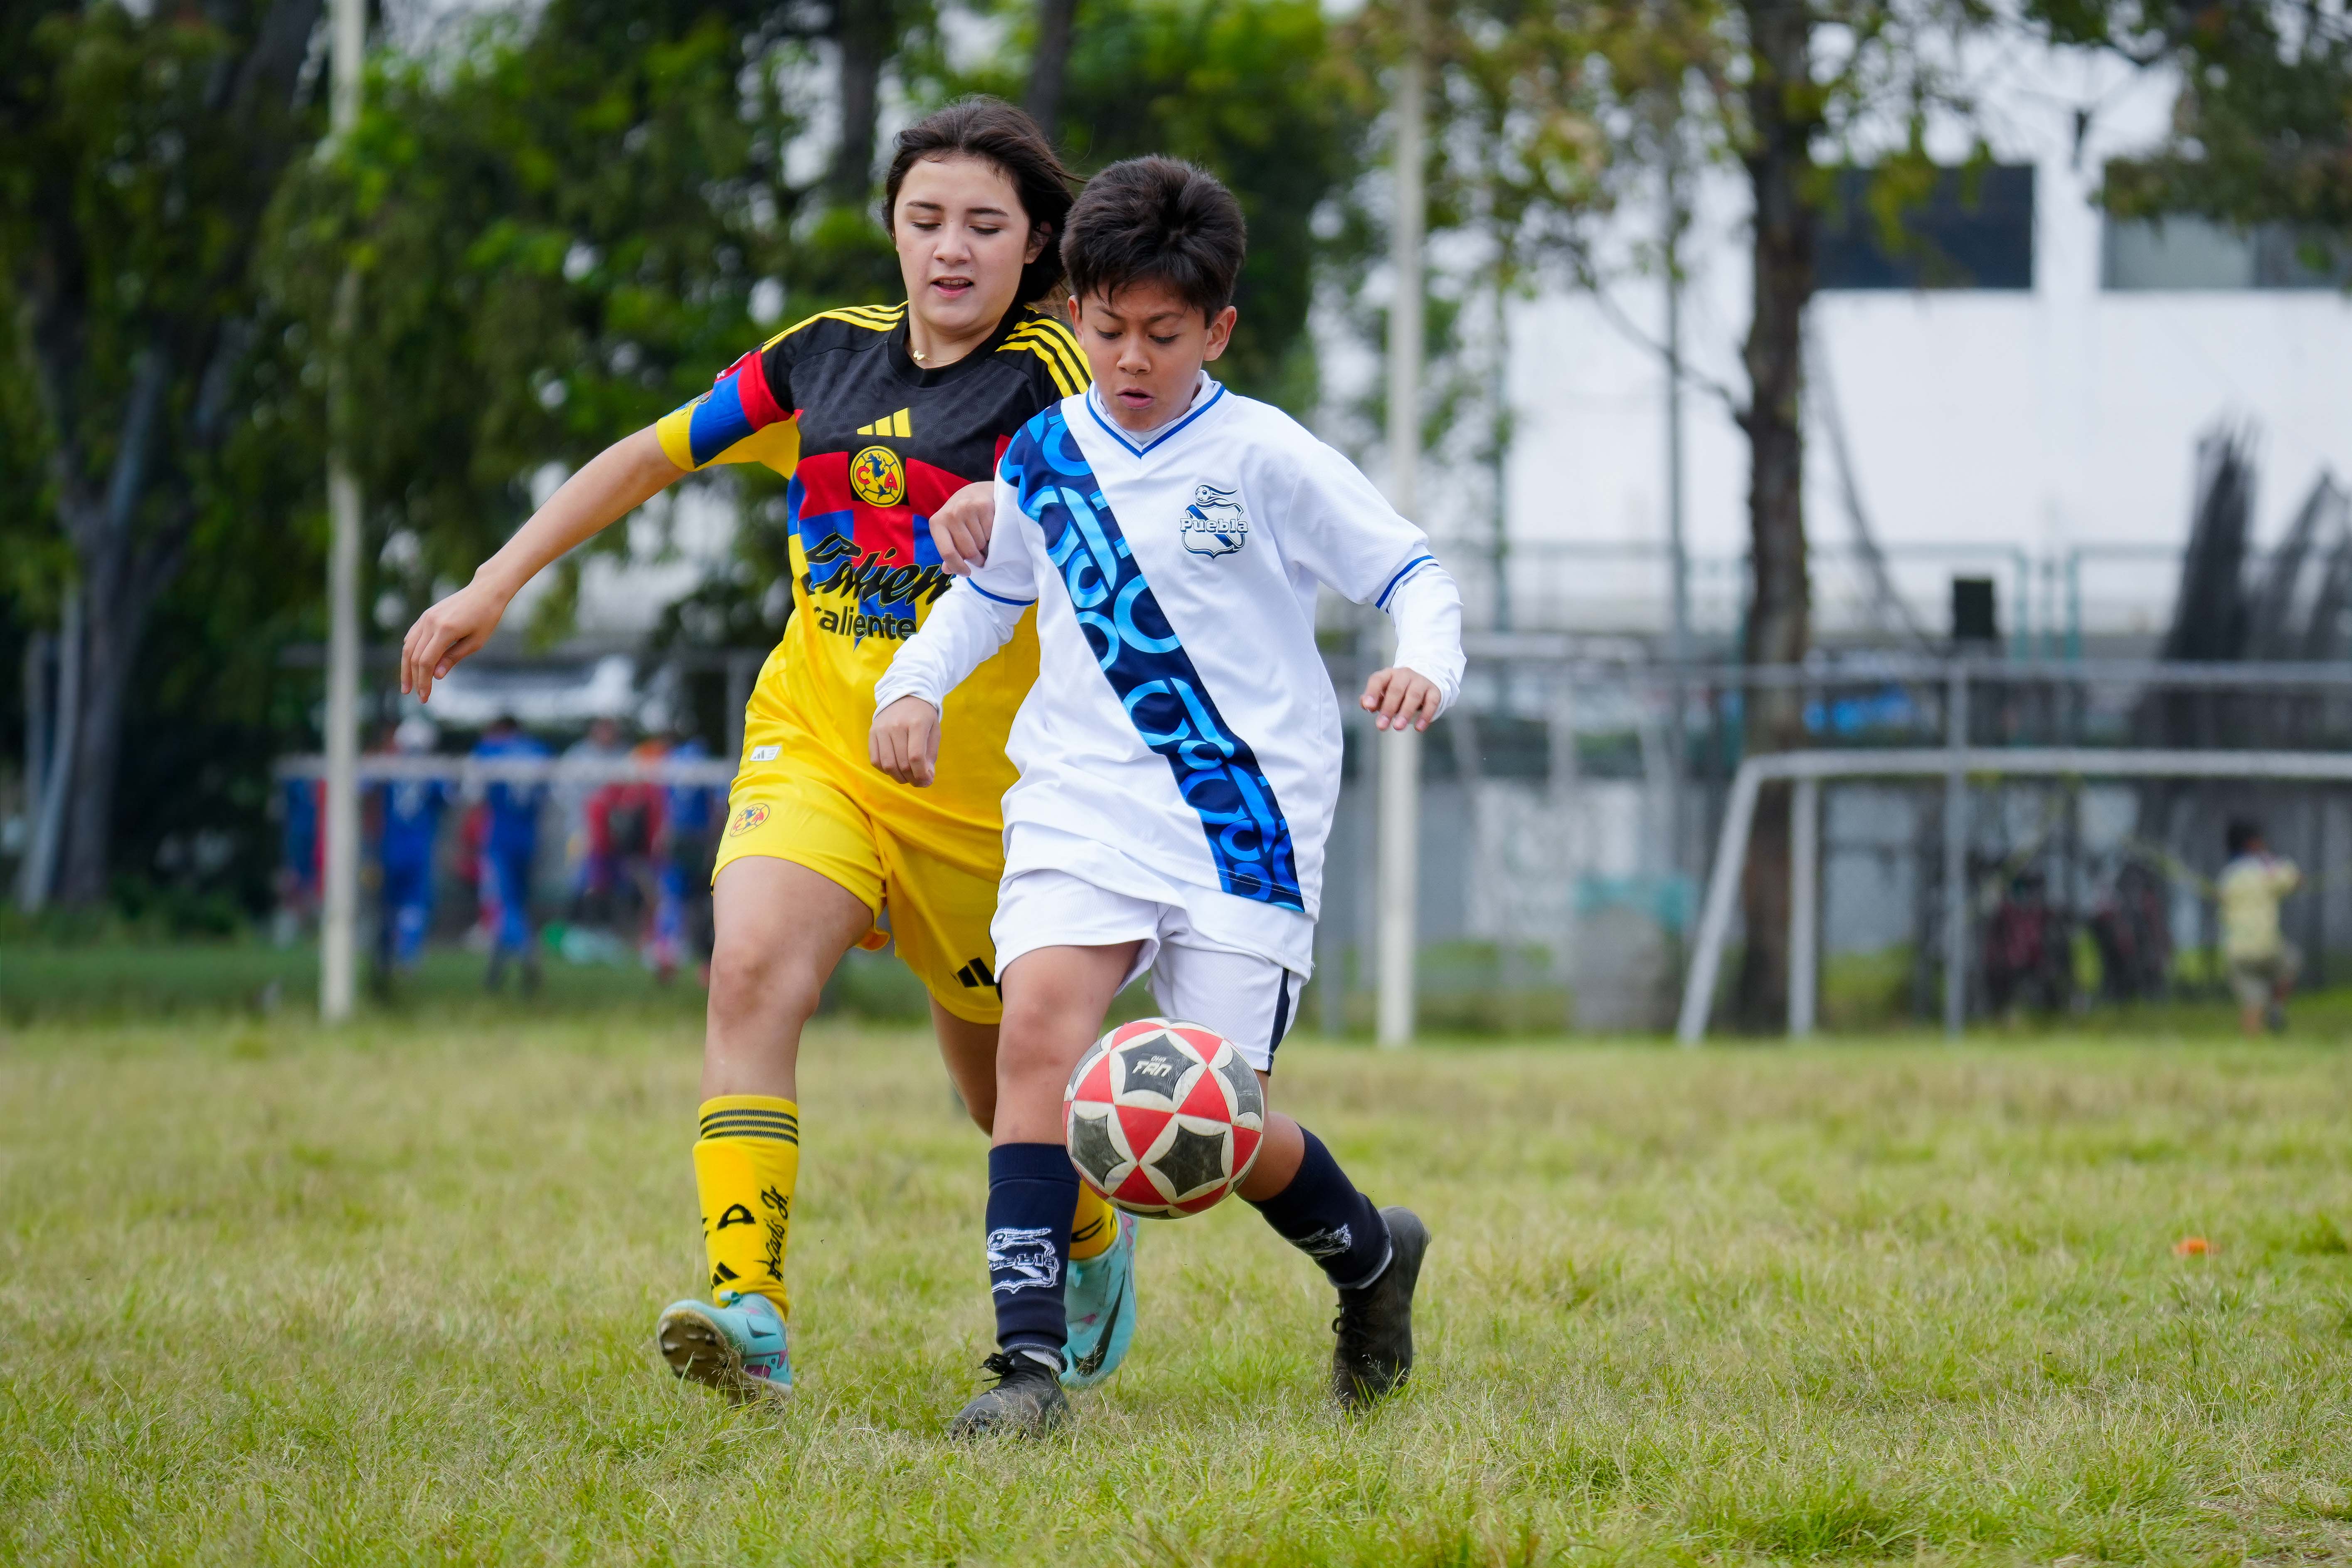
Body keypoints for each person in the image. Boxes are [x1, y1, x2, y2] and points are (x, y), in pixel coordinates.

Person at [397, 98, 1134, 1403]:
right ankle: (750, 1312)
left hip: (994, 805)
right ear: (892, 232)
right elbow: (644, 456)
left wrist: (1016, 496)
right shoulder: (821, 360)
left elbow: (1138, 478)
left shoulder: (1061, 369)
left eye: (983, 225)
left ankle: (1084, 1236)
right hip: (822, 750)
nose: (949, 249)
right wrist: (491, 583)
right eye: (923, 221)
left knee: (998, 1093)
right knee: (746, 976)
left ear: (1035, 246)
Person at [870, 155, 1464, 1435]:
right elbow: (989, 597)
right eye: (1105, 328)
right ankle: (1024, 1371)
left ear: (1218, 330)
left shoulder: (1265, 456)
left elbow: (1410, 570)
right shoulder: (1043, 452)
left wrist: (1422, 660)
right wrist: (912, 686)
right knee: (1037, 1035)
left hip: (1243, 819)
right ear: (1073, 310)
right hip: (1083, 799)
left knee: (1208, 1119)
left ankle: (1371, 1259)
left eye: (1162, 335)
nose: (1129, 358)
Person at [473, 715, 550, 993]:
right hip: (529, 839)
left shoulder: (489, 750)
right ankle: (496, 972)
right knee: (517, 903)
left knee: (506, 906)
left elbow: (473, 796)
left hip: (501, 839)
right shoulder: (539, 751)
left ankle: (529, 952)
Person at [373, 716, 450, 983]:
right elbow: (448, 798)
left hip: (389, 848)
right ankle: (407, 956)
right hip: (418, 850)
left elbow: (362, 786)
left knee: (388, 905)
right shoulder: (432, 771)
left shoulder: (387, 765)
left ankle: (386, 955)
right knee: (414, 906)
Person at [2219, 817, 2301, 1035]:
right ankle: (2276, 1007)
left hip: (2235, 951)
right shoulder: (2266, 868)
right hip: (2266, 946)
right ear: (2253, 843)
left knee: (2252, 1003)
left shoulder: (2229, 875)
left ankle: (2252, 1045)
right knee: (2291, 961)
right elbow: (2293, 879)